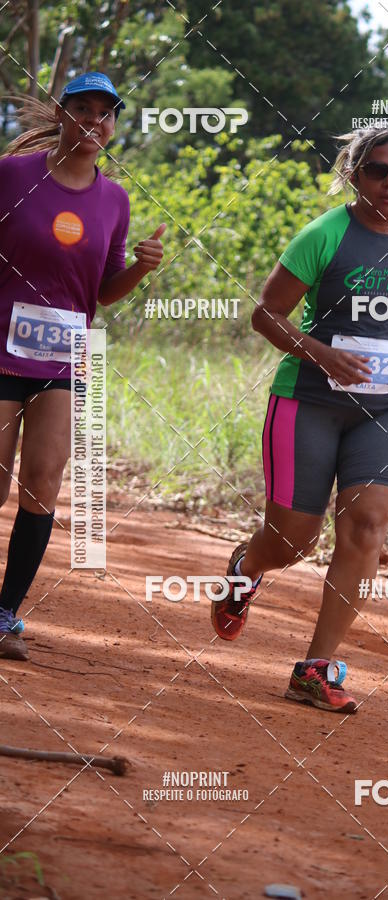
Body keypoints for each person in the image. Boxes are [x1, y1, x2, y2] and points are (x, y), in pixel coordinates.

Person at [211, 127, 388, 713]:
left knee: (367, 526)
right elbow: (266, 315)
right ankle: (245, 569)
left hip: (386, 409)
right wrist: (321, 353)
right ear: (354, 174)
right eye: (378, 171)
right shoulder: (323, 235)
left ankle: (314, 670)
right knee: (292, 540)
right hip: (309, 402)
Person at [0, 72, 166, 660]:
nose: (94, 120)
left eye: (106, 112)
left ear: (113, 125)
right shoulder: (12, 175)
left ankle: (4, 614)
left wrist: (141, 268)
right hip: (1, 349)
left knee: (44, 481)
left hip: (66, 357)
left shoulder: (114, 200)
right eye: (83, 108)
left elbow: (102, 292)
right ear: (61, 113)